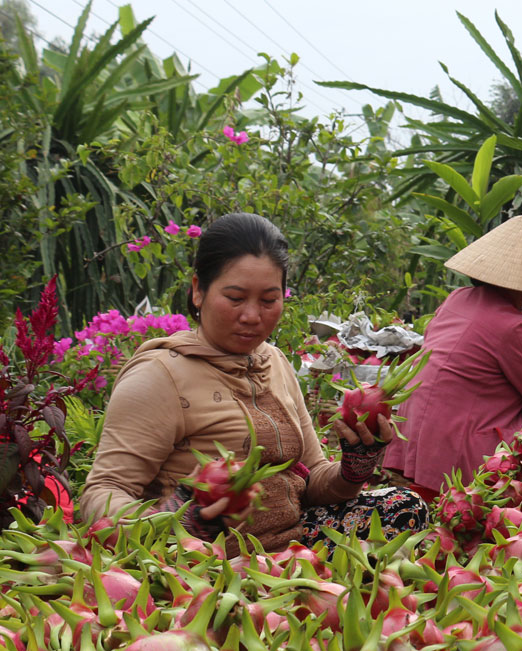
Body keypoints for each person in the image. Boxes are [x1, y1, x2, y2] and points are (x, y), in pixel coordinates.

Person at [78, 213, 428, 549]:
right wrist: (181, 522)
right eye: (234, 298)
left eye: (269, 300)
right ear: (198, 290)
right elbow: (102, 493)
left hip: (292, 545)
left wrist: (356, 465)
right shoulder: (160, 375)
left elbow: (313, 480)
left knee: (403, 507)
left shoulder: (274, 361)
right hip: (203, 560)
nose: (251, 316)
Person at [384, 214, 522, 499]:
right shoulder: (513, 327)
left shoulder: (457, 298)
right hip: (461, 453)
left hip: (415, 435)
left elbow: (479, 354)